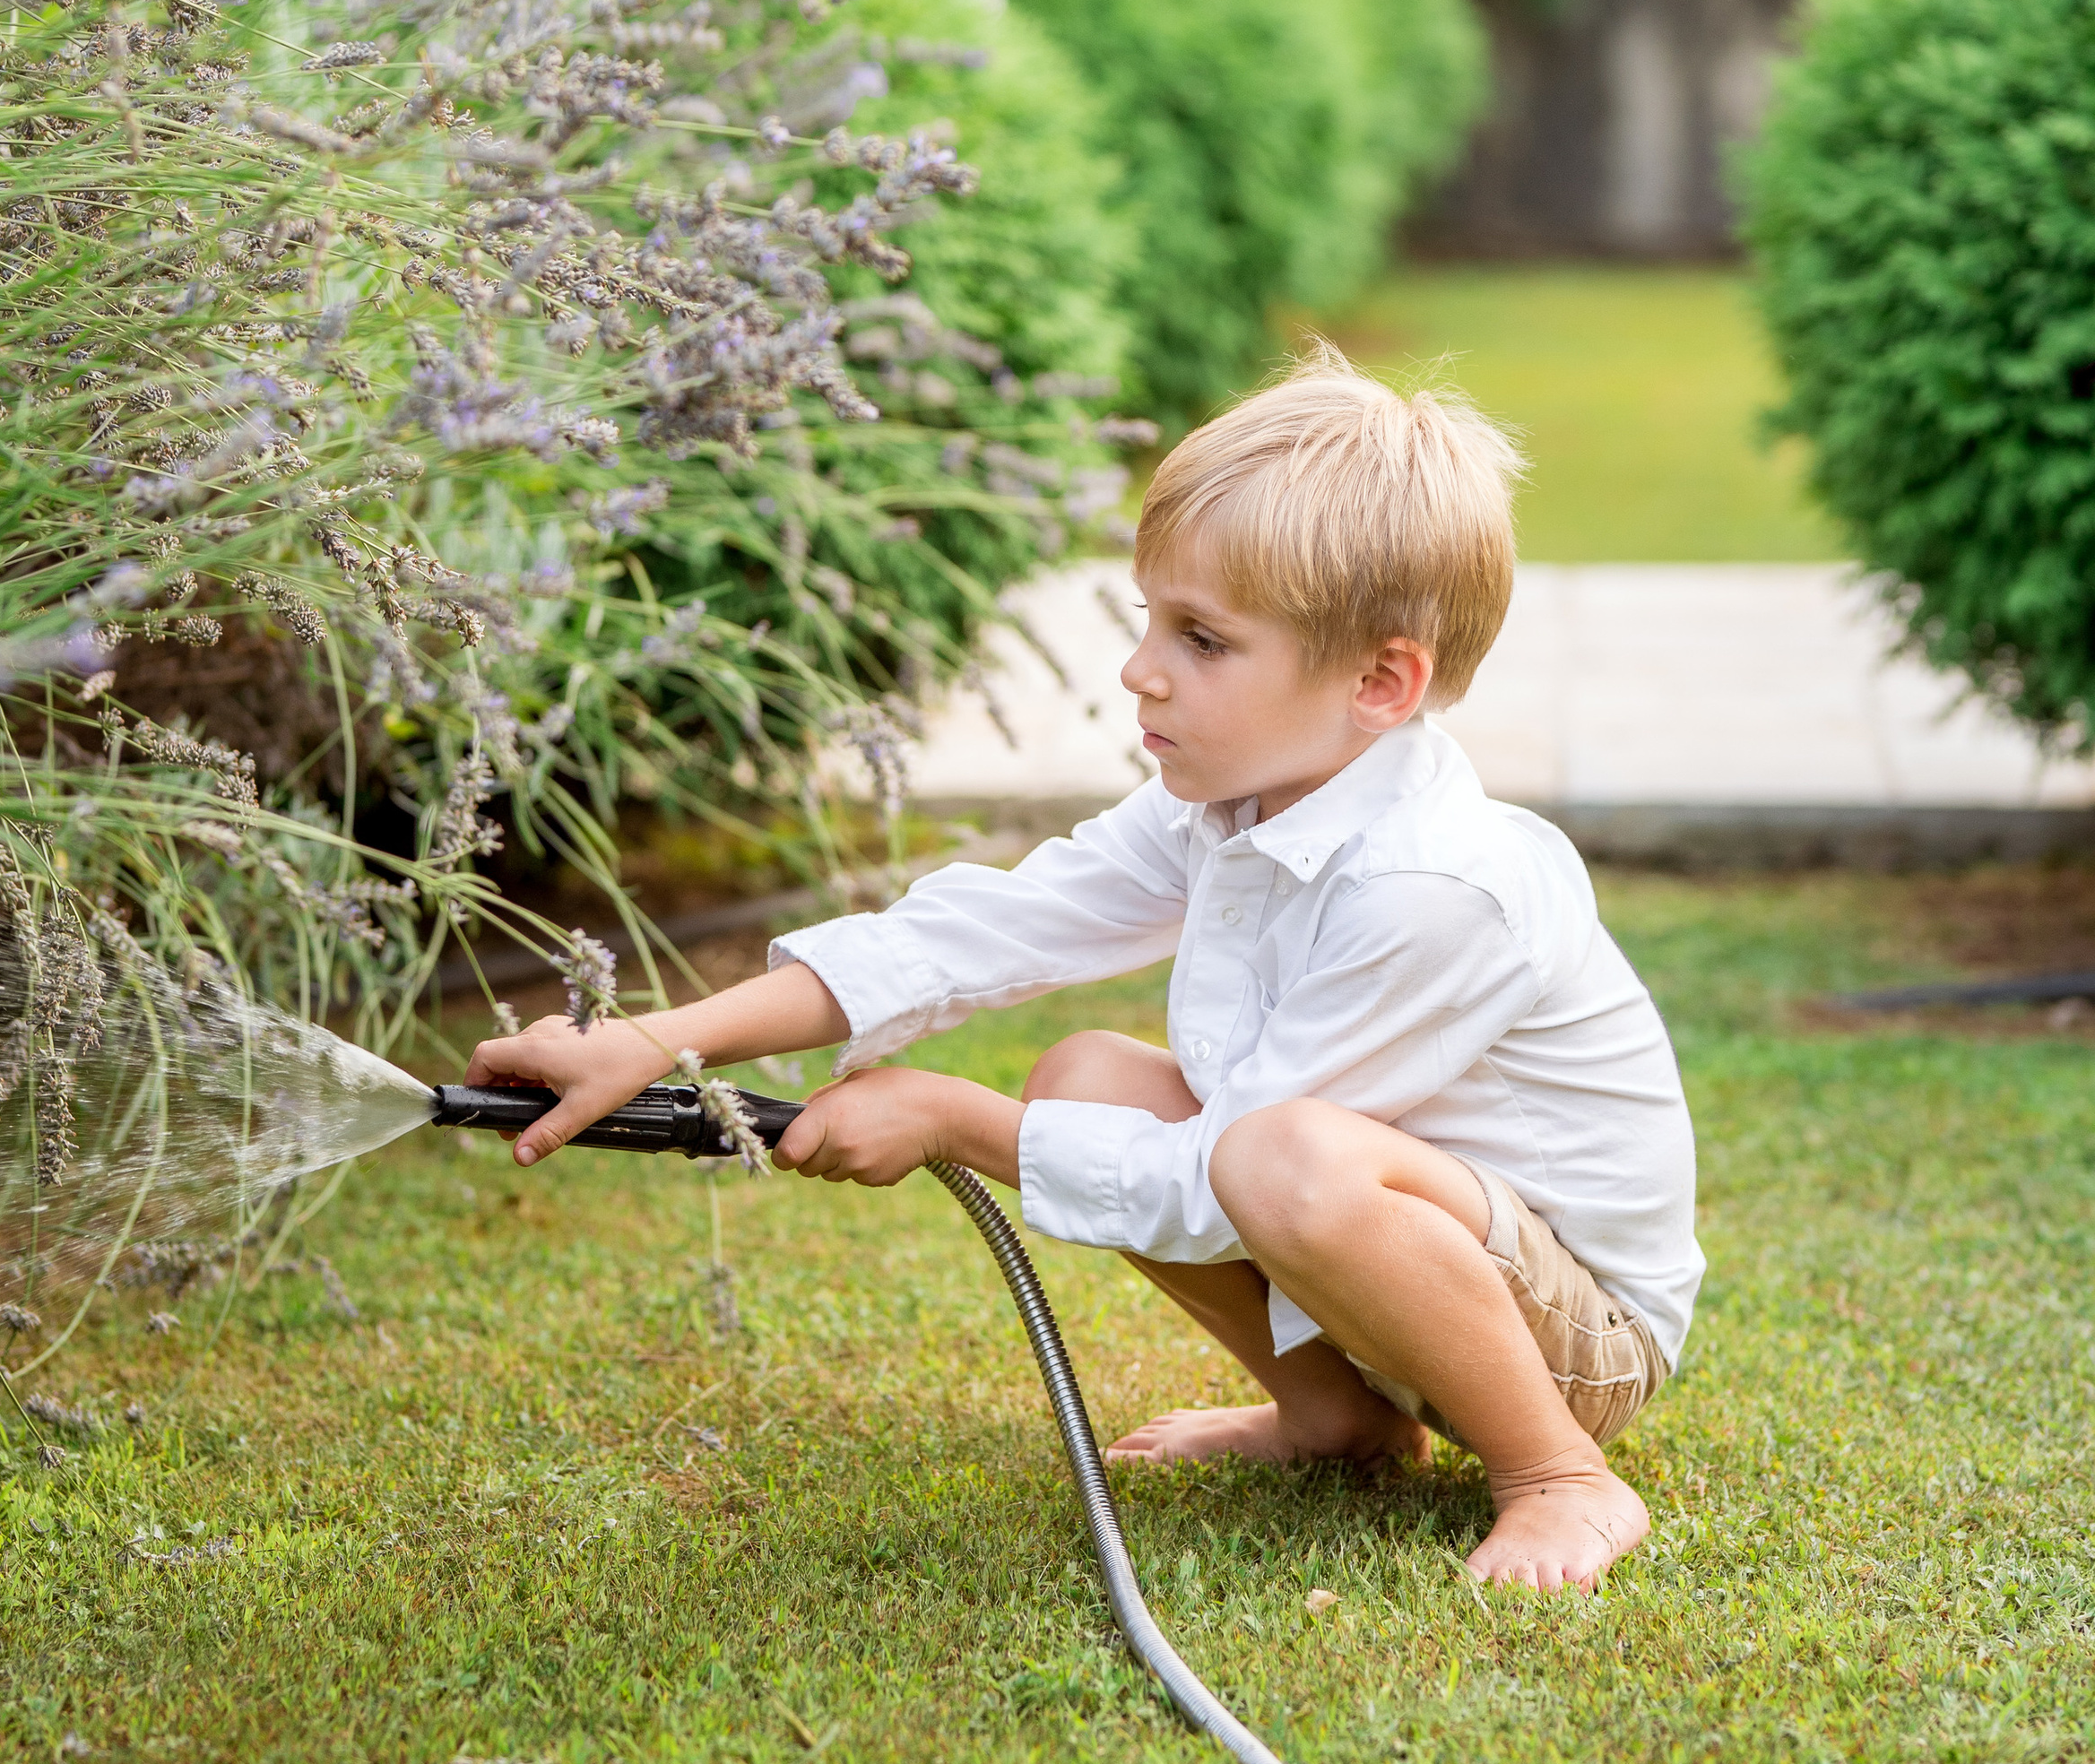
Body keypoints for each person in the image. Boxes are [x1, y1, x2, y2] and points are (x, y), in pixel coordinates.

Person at [468, 348, 1701, 1589]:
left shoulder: (1437, 886)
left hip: (1576, 1335)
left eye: (1204, 639)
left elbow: (1235, 1179)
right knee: (1091, 1081)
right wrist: (661, 1040)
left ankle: (1555, 1478)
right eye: (1149, 619)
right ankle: (1342, 1425)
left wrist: (957, 1119)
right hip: (1399, 1283)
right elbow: (982, 931)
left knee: (1276, 1153)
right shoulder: (1233, 801)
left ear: (1381, 682)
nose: (1141, 670)